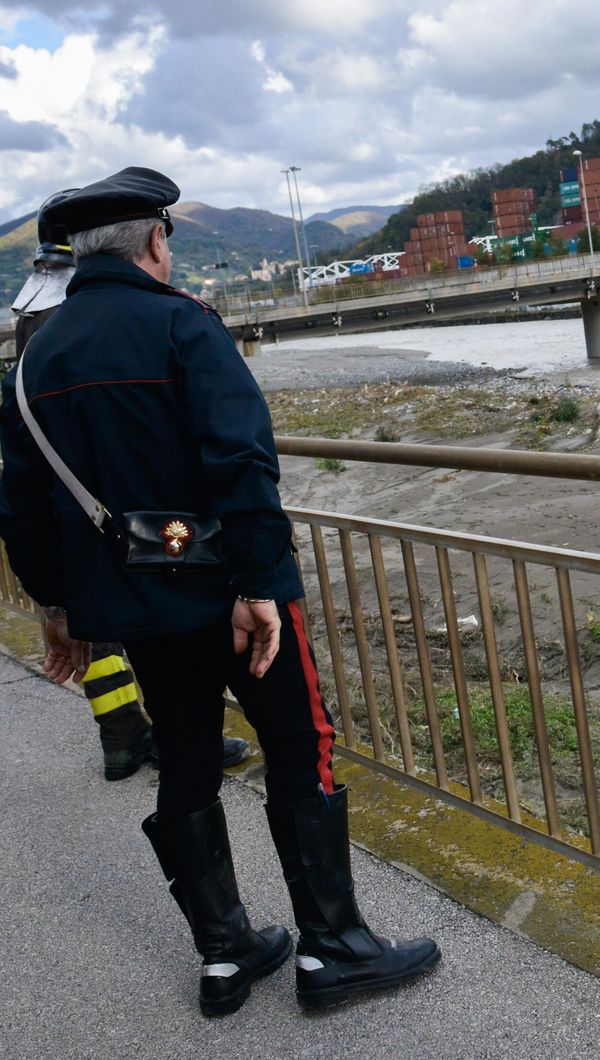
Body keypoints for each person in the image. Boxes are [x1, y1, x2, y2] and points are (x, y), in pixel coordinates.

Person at [0, 166, 439, 1016]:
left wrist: (58, 612)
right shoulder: (183, 325)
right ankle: (334, 949)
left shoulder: (33, 360)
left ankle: (226, 952)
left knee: (188, 758)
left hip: (136, 612)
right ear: (155, 243)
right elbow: (242, 462)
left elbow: (19, 504)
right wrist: (262, 585)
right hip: (232, 601)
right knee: (297, 745)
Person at [11, 190, 249, 781]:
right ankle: (168, 738)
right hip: (141, 514)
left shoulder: (31, 309)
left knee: (102, 635)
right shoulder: (87, 312)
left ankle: (123, 735)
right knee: (156, 637)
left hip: (74, 509)